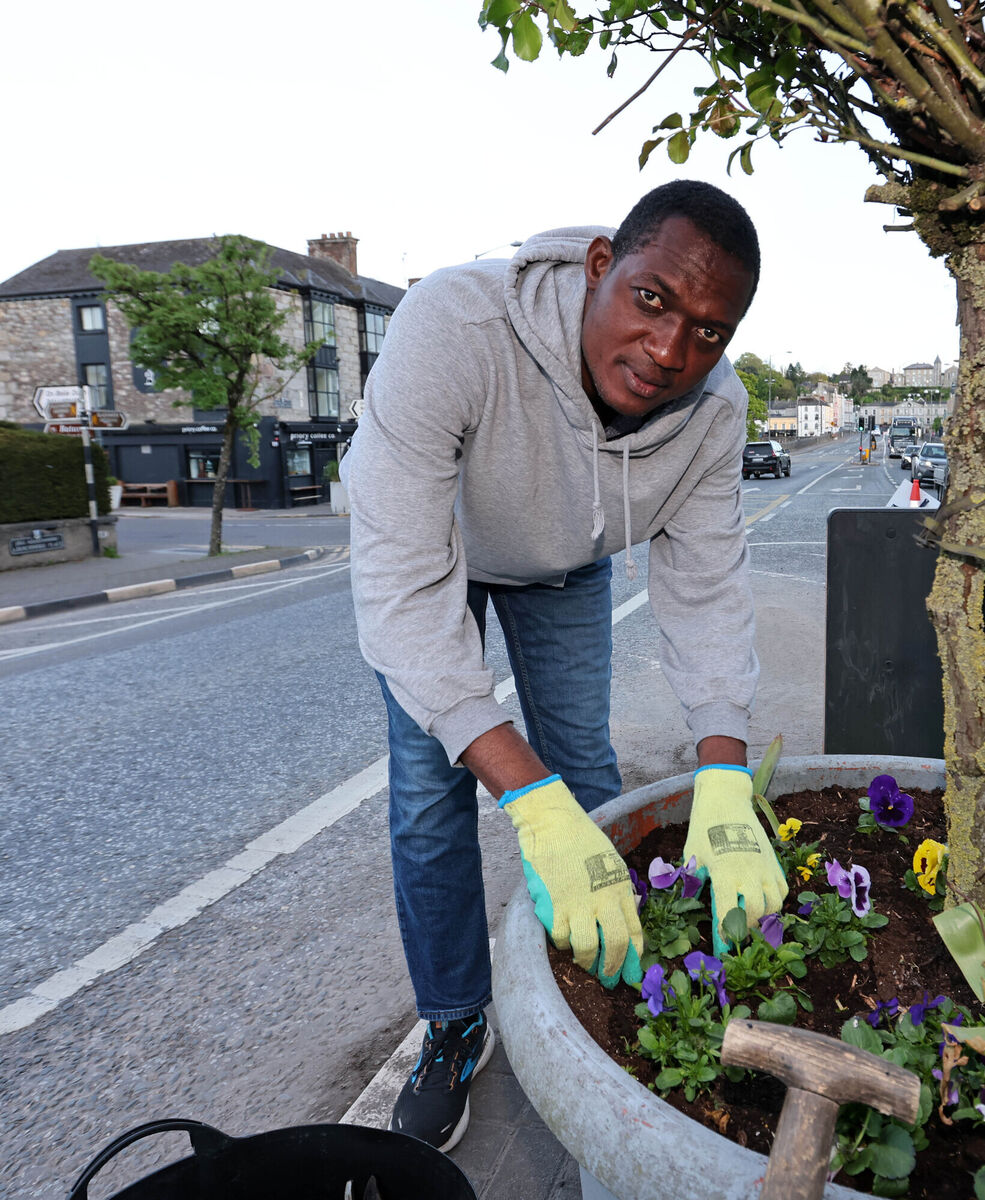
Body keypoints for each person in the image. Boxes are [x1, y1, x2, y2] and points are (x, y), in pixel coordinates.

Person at [342, 179, 787, 1153]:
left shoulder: (713, 414)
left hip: (564, 567)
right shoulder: (453, 324)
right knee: (431, 789)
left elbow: (705, 595)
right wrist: (526, 803)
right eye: (653, 300)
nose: (671, 352)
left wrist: (721, 770)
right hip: (438, 561)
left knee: (582, 764)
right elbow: (399, 588)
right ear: (599, 267)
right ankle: (457, 1022)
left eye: (708, 332)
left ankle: (621, 981)